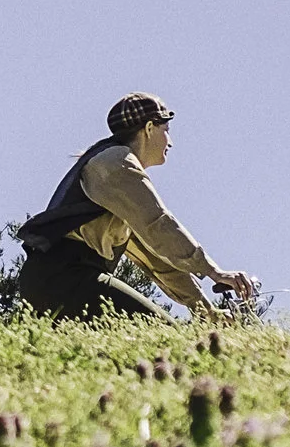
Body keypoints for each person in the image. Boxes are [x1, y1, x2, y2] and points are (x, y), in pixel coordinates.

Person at [15, 92, 257, 320]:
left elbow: (159, 262)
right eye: (167, 130)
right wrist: (214, 271)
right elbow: (158, 224)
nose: (170, 142)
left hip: (50, 283)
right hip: (66, 278)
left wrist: (206, 311)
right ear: (149, 128)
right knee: (161, 338)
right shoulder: (116, 163)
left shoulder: (118, 184)